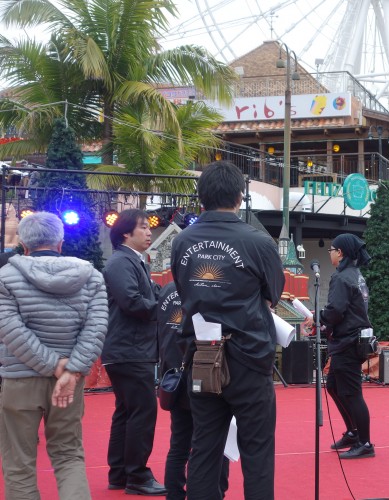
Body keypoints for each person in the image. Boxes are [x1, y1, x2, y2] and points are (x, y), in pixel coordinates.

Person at [170, 161, 285, 500]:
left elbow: (182, 289)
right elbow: (273, 294)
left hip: (202, 354)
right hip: (248, 356)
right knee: (257, 452)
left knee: (204, 446)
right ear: (239, 197)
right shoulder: (258, 242)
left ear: (201, 198)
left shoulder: (182, 242)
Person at [0, 211, 108, 499]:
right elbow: (96, 328)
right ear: (61, 242)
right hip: (69, 383)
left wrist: (56, 366)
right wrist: (71, 370)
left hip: (20, 379)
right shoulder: (91, 276)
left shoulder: (6, 277)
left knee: (18, 462)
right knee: (69, 455)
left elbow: (10, 330)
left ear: (23, 243)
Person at [101, 208, 166, 496]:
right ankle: (137, 475)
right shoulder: (121, 262)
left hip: (129, 348)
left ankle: (120, 473)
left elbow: (145, 297)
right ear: (126, 232)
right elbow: (133, 302)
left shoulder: (133, 261)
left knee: (127, 412)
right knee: (142, 411)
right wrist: (165, 310)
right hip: (129, 349)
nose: (150, 231)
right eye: (143, 227)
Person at [157, 281, 230, 500]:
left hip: (174, 373)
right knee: (213, 442)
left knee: (179, 444)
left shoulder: (167, 290)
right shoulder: (209, 287)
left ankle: (175, 494)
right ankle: (215, 492)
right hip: (203, 373)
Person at [309, 233, 376, 459]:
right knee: (335, 388)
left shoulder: (342, 278)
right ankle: (353, 432)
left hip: (348, 342)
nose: (329, 253)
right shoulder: (355, 275)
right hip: (351, 341)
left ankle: (365, 442)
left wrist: (317, 317)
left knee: (352, 393)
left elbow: (336, 311)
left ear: (340, 253)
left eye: (332, 249)